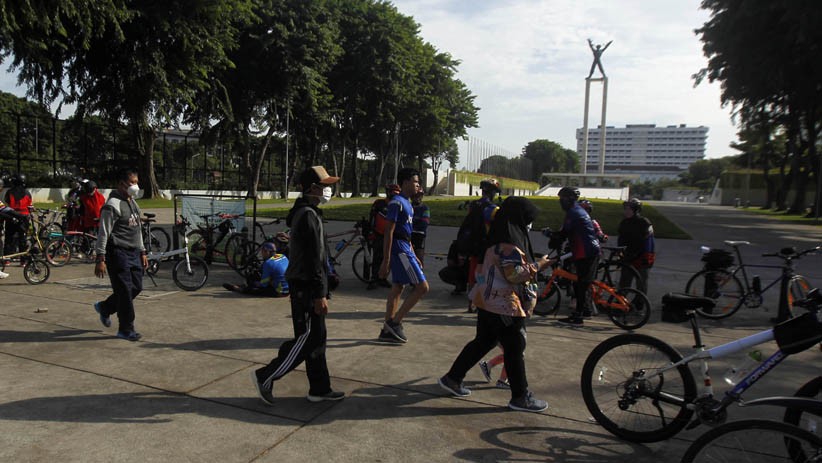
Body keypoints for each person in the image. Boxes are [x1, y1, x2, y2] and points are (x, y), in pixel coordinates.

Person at [438, 196, 550, 412]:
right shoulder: (508, 244)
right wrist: (540, 265)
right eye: (527, 220)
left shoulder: (495, 238)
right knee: (514, 347)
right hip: (504, 305)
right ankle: (520, 397)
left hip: (488, 302)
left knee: (484, 341)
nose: (529, 225)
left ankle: (453, 378)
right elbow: (514, 275)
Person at [250, 165, 344, 405]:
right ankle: (266, 375)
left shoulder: (308, 212)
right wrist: (319, 293)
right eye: (324, 186)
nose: (327, 190)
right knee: (308, 338)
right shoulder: (308, 215)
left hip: (307, 284)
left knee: (317, 337)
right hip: (306, 286)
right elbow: (314, 259)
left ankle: (320, 388)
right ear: (311, 188)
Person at [93, 168, 148, 341]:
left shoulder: (132, 202)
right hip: (117, 252)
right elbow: (103, 233)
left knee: (136, 287)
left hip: (133, 252)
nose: (135, 186)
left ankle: (106, 307)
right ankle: (126, 329)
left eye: (136, 182)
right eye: (132, 183)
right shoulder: (112, 205)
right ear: (121, 184)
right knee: (124, 290)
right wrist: (100, 258)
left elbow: (137, 229)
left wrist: (143, 251)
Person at [377, 167, 429, 344]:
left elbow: (407, 233)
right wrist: (386, 260)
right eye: (415, 182)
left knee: (398, 287)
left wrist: (414, 254)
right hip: (400, 249)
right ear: (405, 182)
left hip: (406, 247)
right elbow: (389, 232)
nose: (418, 186)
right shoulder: (396, 203)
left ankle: (387, 329)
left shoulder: (408, 204)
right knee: (422, 287)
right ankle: (395, 322)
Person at [552, 187, 601, 326]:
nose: (560, 202)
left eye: (562, 199)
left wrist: (555, 238)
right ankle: (585, 311)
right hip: (588, 251)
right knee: (581, 283)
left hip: (586, 252)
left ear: (569, 200)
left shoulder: (573, 213)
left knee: (581, 285)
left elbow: (564, 232)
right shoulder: (578, 211)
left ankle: (578, 317)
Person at [456, 178, 500, 300]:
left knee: (473, 272)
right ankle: (481, 298)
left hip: (472, 245)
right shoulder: (493, 208)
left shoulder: (473, 205)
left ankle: (472, 299)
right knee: (485, 273)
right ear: (492, 192)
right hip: (486, 246)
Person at [222, 241, 289, 297]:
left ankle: (237, 288)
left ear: (267, 251)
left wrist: (254, 283)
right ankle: (243, 286)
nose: (262, 254)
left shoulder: (268, 263)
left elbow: (264, 284)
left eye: (262, 252)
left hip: (280, 292)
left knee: (255, 289)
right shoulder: (282, 256)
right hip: (290, 289)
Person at [367, 184, 400, 290]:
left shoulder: (398, 205)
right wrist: (371, 232)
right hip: (379, 235)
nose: (394, 194)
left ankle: (383, 278)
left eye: (397, 193)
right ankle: (374, 279)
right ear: (388, 192)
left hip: (391, 236)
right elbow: (372, 218)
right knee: (377, 257)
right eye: (392, 192)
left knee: (389, 259)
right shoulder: (379, 203)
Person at [617, 198, 654, 293]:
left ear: (636, 210)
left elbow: (647, 242)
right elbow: (621, 239)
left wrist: (643, 256)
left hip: (642, 256)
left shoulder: (644, 223)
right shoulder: (624, 222)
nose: (626, 211)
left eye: (629, 209)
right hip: (628, 255)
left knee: (641, 281)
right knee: (624, 280)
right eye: (625, 209)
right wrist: (620, 252)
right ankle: (621, 301)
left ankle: (640, 302)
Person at [3, 174, 32, 256]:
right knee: (22, 239)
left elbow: (7, 202)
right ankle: (23, 260)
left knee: (9, 238)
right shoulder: (27, 193)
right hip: (24, 218)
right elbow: (29, 204)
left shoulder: (9, 192)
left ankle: (7, 258)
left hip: (11, 216)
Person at [410, 188, 430, 266]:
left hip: (420, 235)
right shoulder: (408, 206)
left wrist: (412, 222)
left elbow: (424, 224)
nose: (418, 198)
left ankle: (420, 275)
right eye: (415, 196)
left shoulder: (425, 208)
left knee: (419, 257)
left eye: (420, 196)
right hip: (409, 234)